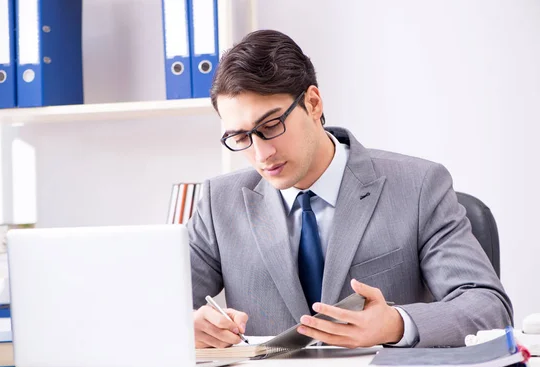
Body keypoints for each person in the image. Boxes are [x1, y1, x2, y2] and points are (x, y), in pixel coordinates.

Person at [188, 29, 512, 349]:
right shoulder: (219, 203)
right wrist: (185, 325)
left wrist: (396, 324)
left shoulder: (418, 187)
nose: (261, 154)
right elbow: (149, 306)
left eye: (272, 126)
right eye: (241, 138)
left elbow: (487, 308)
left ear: (313, 103)